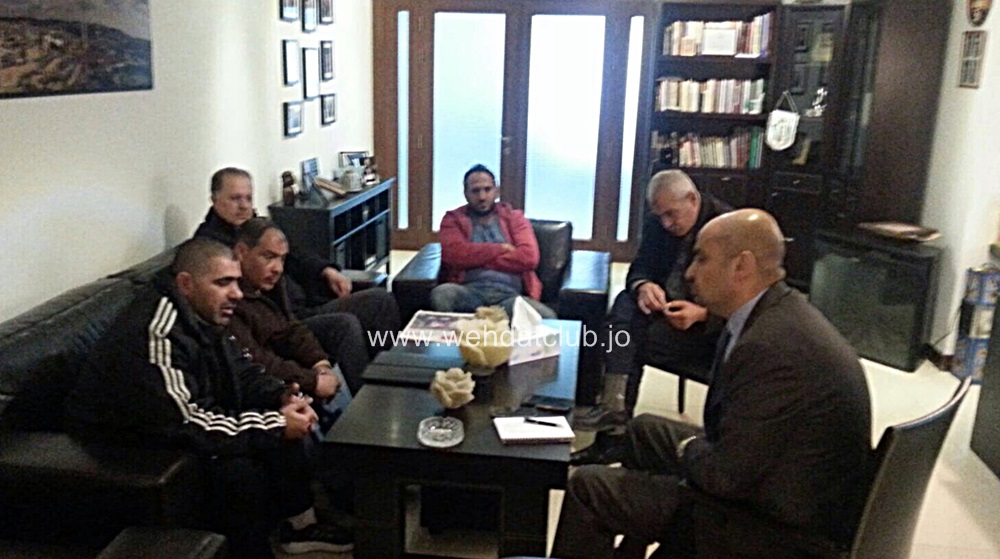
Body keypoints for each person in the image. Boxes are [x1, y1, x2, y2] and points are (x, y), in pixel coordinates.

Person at [551, 209, 872, 559]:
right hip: (774, 481)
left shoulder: (772, 349)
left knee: (589, 487)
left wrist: (688, 449)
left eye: (701, 259)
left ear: (742, 267)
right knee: (643, 430)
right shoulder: (774, 314)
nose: (689, 273)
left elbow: (725, 477)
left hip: (769, 531)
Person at [66, 238, 353, 559]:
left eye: (236, 281)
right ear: (186, 283)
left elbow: (240, 369)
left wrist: (282, 395)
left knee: (280, 421)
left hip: (175, 417)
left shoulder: (205, 312)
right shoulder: (157, 331)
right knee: (239, 468)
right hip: (125, 441)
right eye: (223, 283)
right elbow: (187, 420)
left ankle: (301, 526)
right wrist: (273, 424)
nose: (236, 293)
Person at [573, 170, 731, 438]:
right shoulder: (657, 223)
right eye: (660, 216)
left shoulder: (727, 228)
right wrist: (643, 285)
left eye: (671, 214)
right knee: (624, 306)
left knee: (626, 339)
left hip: (708, 329)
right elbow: (639, 268)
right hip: (664, 310)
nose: (666, 223)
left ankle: (615, 412)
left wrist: (704, 314)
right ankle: (615, 410)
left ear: (692, 199)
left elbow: (747, 304)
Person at [195, 167, 400, 357]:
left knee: (381, 300)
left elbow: (296, 255)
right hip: (285, 321)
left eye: (248, 198)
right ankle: (370, 379)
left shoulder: (257, 227)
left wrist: (327, 270)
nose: (244, 206)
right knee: (348, 322)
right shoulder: (210, 248)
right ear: (214, 199)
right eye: (235, 199)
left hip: (306, 303)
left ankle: (388, 363)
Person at [231, 217, 368, 398]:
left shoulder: (269, 283)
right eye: (269, 257)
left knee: (377, 301)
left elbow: (291, 327)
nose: (278, 268)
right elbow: (258, 360)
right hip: (264, 389)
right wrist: (312, 381)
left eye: (282, 259)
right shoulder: (230, 297)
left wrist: (321, 364)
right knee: (345, 324)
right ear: (241, 252)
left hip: (287, 369)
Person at [431, 164, 557, 319]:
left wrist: (476, 259)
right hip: (468, 291)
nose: (482, 197)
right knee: (442, 294)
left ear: (496, 191)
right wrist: (501, 249)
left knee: (547, 317)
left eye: (487, 189)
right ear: (465, 193)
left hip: (509, 297)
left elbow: (529, 257)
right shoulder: (453, 219)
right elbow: (454, 255)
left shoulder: (515, 218)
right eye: (475, 191)